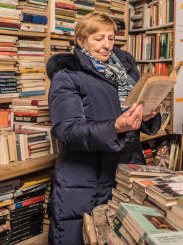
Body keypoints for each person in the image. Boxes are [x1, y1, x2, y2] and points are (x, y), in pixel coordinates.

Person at [46, 12, 162, 244]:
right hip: (85, 179)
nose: (107, 45)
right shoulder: (67, 77)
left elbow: (131, 120)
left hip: (127, 173)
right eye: (99, 38)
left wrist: (147, 115)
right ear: (81, 40)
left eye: (111, 38)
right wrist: (116, 126)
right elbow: (68, 131)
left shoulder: (126, 74)